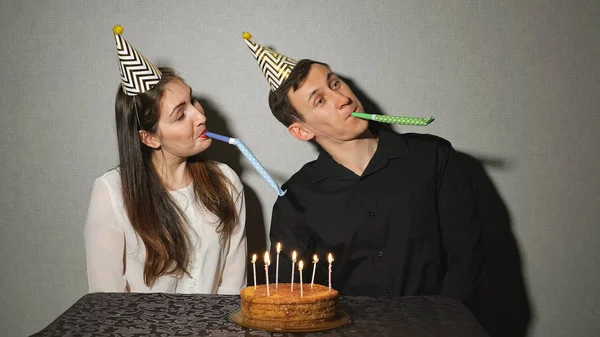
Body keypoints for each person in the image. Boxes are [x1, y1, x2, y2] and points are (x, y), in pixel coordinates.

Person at [243, 33, 483, 300]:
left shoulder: (433, 156)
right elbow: (291, 296)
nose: (341, 99)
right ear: (301, 131)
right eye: (319, 100)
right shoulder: (295, 201)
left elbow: (467, 257)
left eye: (334, 84)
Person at [84, 26, 246, 294]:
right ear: (150, 138)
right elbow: (105, 303)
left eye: (192, 101)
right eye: (180, 115)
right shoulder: (111, 193)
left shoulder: (227, 182)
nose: (200, 117)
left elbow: (233, 288)